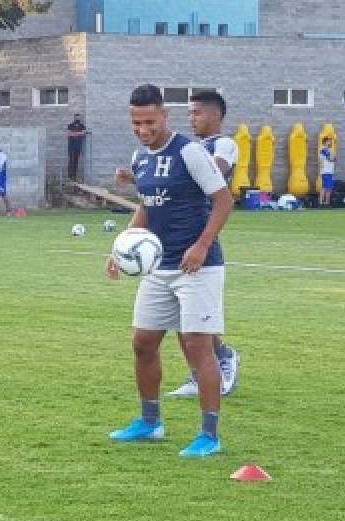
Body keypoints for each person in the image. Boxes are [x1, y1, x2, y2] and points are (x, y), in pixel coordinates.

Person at [108, 84, 233, 458]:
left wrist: (201, 245)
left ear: (165, 117)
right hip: (158, 266)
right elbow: (148, 205)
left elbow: (223, 201)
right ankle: (150, 423)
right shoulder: (141, 158)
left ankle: (209, 435)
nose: (143, 129)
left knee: (197, 347)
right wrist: (122, 246)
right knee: (142, 343)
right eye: (136, 122)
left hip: (198, 266)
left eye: (150, 121)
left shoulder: (190, 151)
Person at [168, 90, 240, 399]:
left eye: (196, 112)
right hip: (177, 236)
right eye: (189, 113)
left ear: (214, 115)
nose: (191, 118)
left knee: (196, 316)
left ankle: (221, 359)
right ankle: (201, 373)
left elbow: (214, 173)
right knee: (183, 317)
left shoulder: (223, 144)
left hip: (202, 234)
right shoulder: (190, 149)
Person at [67, 114, 88, 181]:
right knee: (71, 160)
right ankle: (69, 176)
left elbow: (84, 133)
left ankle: (74, 176)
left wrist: (74, 133)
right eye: (76, 117)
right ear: (74, 118)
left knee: (76, 161)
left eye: (78, 117)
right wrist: (79, 133)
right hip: (71, 146)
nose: (77, 118)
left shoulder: (82, 126)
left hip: (78, 146)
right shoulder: (70, 125)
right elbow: (68, 133)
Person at [319, 137, 336, 207]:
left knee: (326, 187)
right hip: (326, 171)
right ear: (325, 142)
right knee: (327, 188)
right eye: (329, 141)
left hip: (330, 171)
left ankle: (324, 203)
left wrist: (333, 156)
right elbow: (330, 159)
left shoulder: (331, 150)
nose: (330, 142)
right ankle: (324, 203)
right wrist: (332, 156)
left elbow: (335, 159)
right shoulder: (323, 149)